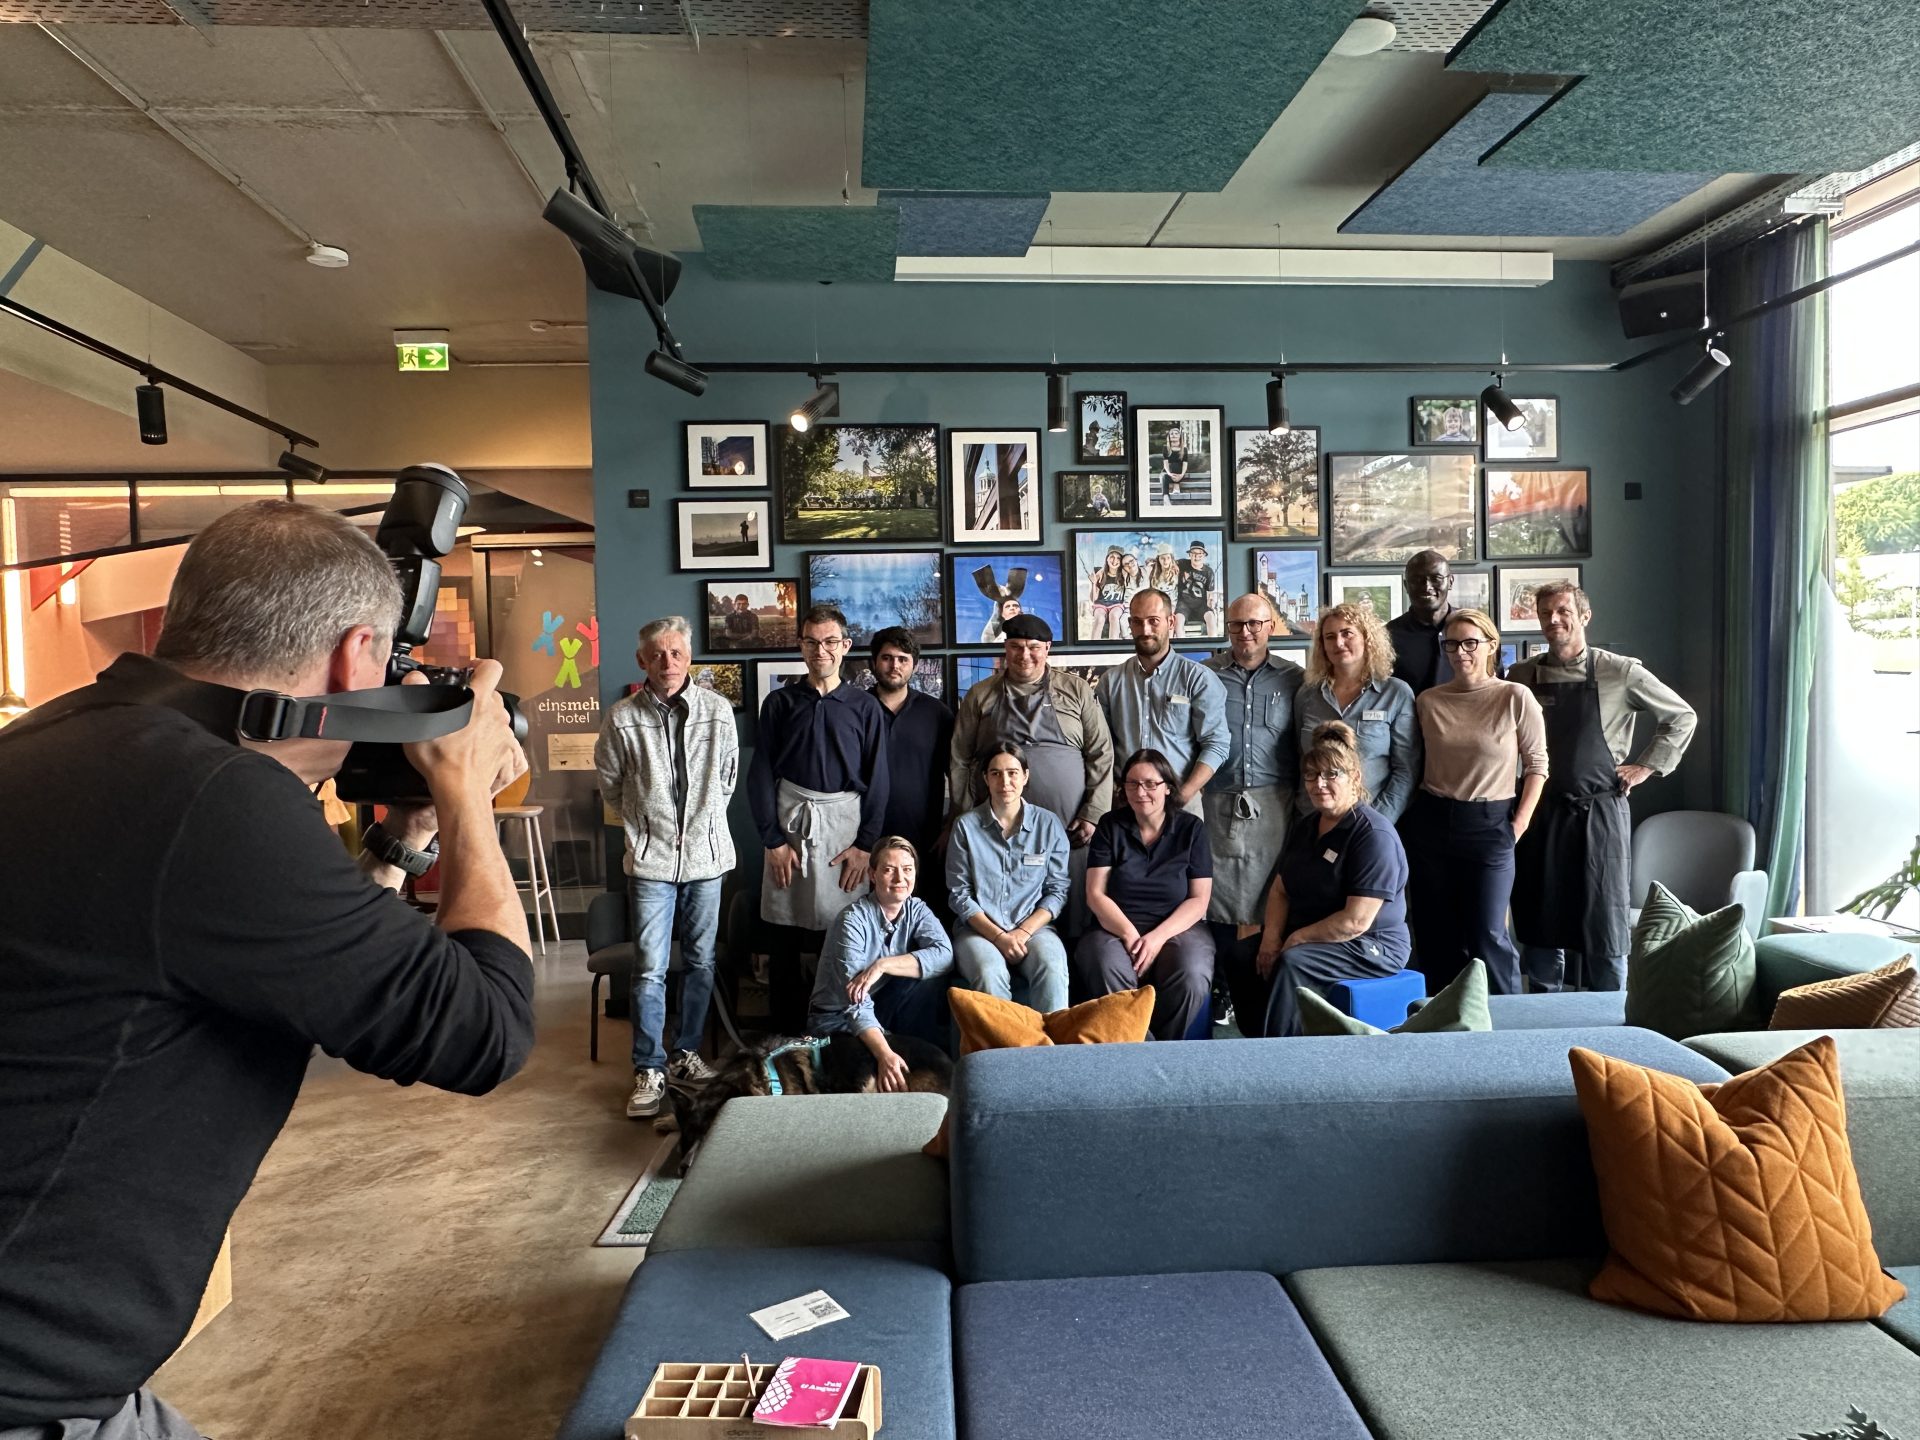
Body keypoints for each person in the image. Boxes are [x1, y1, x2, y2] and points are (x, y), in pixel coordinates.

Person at [0, 499, 533, 1439]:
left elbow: (289, 965)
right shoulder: (218, 799)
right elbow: (486, 1030)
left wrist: (403, 844)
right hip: (32, 1392)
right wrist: (464, 790)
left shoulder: (65, 742)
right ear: (354, 657)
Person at [1507, 582, 1698, 993]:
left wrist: (1646, 766)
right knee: (1540, 921)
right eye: (1545, 613)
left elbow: (1682, 717)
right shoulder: (1522, 675)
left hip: (1600, 813)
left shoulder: (1620, 671)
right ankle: (1541, 1016)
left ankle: (1610, 1016)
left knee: (1605, 923)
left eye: (1563, 611)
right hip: (1539, 813)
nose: (1554, 620)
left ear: (1584, 616)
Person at [595, 616, 732, 1118]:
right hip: (650, 864)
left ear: (688, 656)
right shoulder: (621, 718)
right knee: (649, 968)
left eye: (676, 653)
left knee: (701, 962)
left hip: (707, 861)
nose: (667, 663)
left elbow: (727, 778)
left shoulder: (718, 711)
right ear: (642, 660)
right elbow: (610, 783)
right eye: (657, 654)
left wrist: (702, 829)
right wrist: (646, 825)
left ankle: (686, 1054)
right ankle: (649, 1068)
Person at [748, 605, 891, 1028]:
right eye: (811, 642)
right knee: (784, 935)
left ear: (845, 646)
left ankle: (843, 1029)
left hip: (846, 829)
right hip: (790, 824)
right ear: (801, 646)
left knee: (844, 932)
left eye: (829, 642)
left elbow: (879, 781)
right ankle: (784, 1036)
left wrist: (865, 846)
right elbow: (760, 775)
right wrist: (773, 841)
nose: (820, 651)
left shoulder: (865, 707)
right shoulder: (779, 703)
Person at [1404, 608, 1548, 996]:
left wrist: (1517, 825)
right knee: (1436, 934)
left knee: (1488, 934)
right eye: (1451, 644)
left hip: (1490, 823)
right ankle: (1442, 1019)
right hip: (1432, 823)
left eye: (1470, 643)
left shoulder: (1514, 697)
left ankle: (1507, 1023)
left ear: (1490, 646)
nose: (1460, 652)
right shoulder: (1428, 701)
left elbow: (1537, 766)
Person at [1258, 721, 1414, 1036]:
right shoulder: (1307, 826)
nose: (1319, 784)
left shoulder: (1373, 834)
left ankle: (1277, 1052)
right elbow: (1280, 889)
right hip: (1316, 933)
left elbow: (1355, 921)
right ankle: (1253, 1039)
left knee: (1294, 960)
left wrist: (1296, 939)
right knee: (1241, 955)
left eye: (1332, 774)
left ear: (1355, 778)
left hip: (1371, 944)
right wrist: (1271, 938)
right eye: (1312, 775)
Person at [1204, 593, 1305, 1036]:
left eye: (1254, 624)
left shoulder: (1295, 678)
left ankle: (1262, 991)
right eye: (1236, 624)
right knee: (1218, 897)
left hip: (1275, 803)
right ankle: (1223, 987)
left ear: (1270, 626)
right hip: (1216, 800)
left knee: (1269, 896)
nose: (1245, 632)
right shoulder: (1205, 675)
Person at [1074, 749, 1216, 1040]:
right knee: (1104, 963)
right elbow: (1095, 893)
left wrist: (1156, 939)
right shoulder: (1110, 825)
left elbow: (1199, 899)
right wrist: (1129, 935)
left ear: (1168, 788)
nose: (1140, 792)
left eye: (1150, 784)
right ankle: (1138, 1047)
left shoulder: (1191, 828)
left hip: (1177, 926)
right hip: (1115, 926)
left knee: (1191, 972)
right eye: (1132, 784)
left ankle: (1164, 1047)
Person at [807, 837, 954, 1071]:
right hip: (837, 1019)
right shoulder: (851, 921)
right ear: (872, 875)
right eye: (889, 870)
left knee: (929, 978)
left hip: (879, 1005)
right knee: (887, 1064)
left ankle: (923, 1054)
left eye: (907, 869)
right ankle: (910, 1055)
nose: (900, 879)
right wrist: (885, 1055)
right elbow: (856, 1004)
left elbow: (945, 956)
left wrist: (882, 965)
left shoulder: (916, 908)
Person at [946, 742, 1072, 1013]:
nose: (1005, 782)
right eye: (996, 773)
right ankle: (1003, 1042)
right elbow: (959, 895)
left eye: (1013, 773)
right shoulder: (965, 826)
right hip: (978, 931)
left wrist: (1023, 932)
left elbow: (1057, 891)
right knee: (989, 972)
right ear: (985, 778)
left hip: (1035, 929)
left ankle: (1053, 1040)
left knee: (1052, 967)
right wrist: (999, 937)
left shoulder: (1048, 824)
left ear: (1025, 777)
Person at [1096, 588, 1229, 817]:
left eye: (1153, 621)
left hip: (1182, 805)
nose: (1145, 630)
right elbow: (1100, 747)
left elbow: (1216, 744)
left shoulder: (1197, 678)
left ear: (1171, 622)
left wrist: (1183, 795)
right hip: (1126, 805)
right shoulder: (1110, 682)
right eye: (1137, 622)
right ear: (1130, 625)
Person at [1295, 602, 1420, 822]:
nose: (1339, 642)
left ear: (1366, 638)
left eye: (1347, 633)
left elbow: (1406, 771)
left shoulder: (1395, 694)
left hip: (1371, 820)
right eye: (1330, 637)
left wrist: (1375, 821)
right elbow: (1300, 760)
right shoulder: (1307, 694)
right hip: (1315, 820)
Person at [866, 626, 955, 909]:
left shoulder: (937, 714)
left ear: (914, 665)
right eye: (887, 658)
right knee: (867, 912)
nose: (895, 665)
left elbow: (957, 773)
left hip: (924, 837)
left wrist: (950, 824)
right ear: (873, 662)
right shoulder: (855, 709)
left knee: (922, 912)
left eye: (903, 659)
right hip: (864, 837)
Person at [1385, 549, 1458, 695]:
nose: (1426, 587)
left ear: (1450, 582)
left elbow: (1495, 682)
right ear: (1406, 586)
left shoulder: (1475, 629)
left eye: (1436, 578)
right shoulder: (1387, 636)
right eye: (1417, 580)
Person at [1173, 540, 1217, 638]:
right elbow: (1169, 563)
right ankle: (1182, 645)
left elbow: (1210, 593)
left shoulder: (1209, 572)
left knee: (1211, 618)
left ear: (1204, 555)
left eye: (1200, 554)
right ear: (1189, 554)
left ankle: (1213, 644)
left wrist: (1211, 601)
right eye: (1194, 553)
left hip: (1201, 604)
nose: (1196, 557)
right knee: (1178, 622)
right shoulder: (1182, 563)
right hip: (1183, 603)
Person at [1088, 547, 1130, 640]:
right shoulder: (1100, 574)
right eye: (1112, 557)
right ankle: (1094, 644)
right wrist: (1094, 583)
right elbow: (1094, 599)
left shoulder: (1124, 574)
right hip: (1100, 605)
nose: (1115, 560)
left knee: (1114, 616)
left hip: (1117, 604)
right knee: (1099, 618)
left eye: (1118, 558)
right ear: (1107, 558)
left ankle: (1113, 643)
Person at [1161, 425, 1189, 502]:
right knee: (1164, 476)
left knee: (1176, 465)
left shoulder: (1184, 449)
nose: (1174, 435)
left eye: (1176, 433)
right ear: (1169, 437)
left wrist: (1182, 475)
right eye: (1171, 434)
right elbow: (1165, 464)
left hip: (1180, 473)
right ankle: (1166, 498)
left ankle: (1176, 485)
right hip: (1168, 473)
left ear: (1180, 436)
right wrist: (1169, 473)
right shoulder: (1166, 448)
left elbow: (1185, 464)